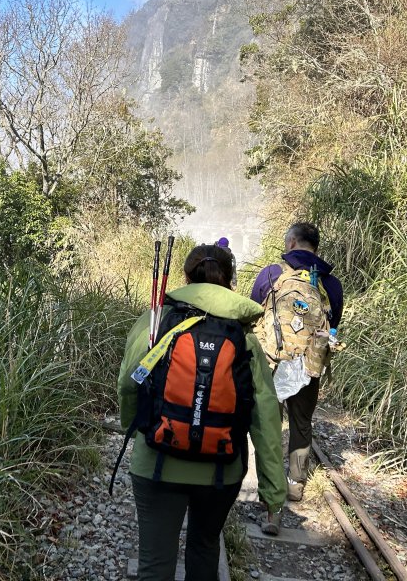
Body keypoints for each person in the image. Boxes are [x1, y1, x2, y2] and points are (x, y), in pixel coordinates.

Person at [118, 243, 286, 581]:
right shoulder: (245, 337)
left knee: (154, 563)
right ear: (231, 282)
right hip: (220, 472)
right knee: (205, 547)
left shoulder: (156, 319)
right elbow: (265, 416)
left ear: (186, 276)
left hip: (156, 464)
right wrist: (272, 489)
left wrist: (139, 432)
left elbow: (127, 383)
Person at [249, 222, 343, 502]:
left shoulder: (272, 273)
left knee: (270, 422)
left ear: (290, 243)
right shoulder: (331, 284)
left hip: (274, 360)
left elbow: (254, 312)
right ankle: (295, 483)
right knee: (301, 422)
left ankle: (272, 481)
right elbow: (332, 324)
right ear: (315, 247)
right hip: (309, 362)